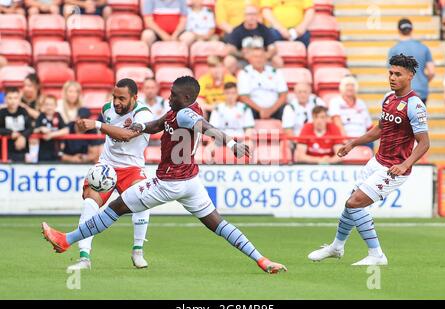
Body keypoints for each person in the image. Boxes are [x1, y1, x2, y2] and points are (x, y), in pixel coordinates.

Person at [42, 76, 287, 274]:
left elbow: (206, 127)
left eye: (174, 95)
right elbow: (159, 124)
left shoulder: (185, 113)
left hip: (168, 182)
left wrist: (232, 142)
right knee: (219, 224)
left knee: (115, 207)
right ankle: (261, 260)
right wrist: (140, 126)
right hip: (191, 182)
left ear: (187, 98)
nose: (169, 98)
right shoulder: (179, 110)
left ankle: (66, 240)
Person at [308, 54, 430, 266]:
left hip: (393, 169)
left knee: (354, 203)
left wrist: (404, 164)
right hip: (377, 162)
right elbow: (380, 130)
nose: (392, 77)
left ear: (410, 76)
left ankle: (376, 255)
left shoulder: (415, 105)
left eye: (398, 74)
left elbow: (424, 143)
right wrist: (353, 143)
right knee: (351, 204)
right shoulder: (388, 98)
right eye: (390, 73)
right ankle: (336, 247)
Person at [62, 79, 154, 271]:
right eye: (114, 97)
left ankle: (138, 251)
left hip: (132, 167)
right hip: (107, 166)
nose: (116, 102)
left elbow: (125, 135)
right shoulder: (107, 109)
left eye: (122, 98)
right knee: (90, 203)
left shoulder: (143, 114)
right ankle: (84, 258)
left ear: (134, 98)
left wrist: (96, 124)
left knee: (144, 199)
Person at [388, 18, 435, 104]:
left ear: (399, 30)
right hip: (421, 91)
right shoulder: (424, 48)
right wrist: (423, 81)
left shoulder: (394, 50)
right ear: (411, 29)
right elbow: (431, 72)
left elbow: (393, 74)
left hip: (403, 92)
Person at [224, 5, 280, 74]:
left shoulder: (264, 29)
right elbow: (231, 49)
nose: (251, 17)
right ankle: (232, 83)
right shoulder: (237, 31)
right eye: (249, 14)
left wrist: (265, 56)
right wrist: (243, 55)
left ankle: (275, 82)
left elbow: (272, 47)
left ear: (258, 16)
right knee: (229, 61)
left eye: (254, 14)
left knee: (277, 60)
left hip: (262, 59)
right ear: (244, 16)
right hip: (244, 60)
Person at [238, 46, 288, 120]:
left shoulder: (276, 72)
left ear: (265, 58)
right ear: (250, 59)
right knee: (244, 110)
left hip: (275, 109)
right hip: (254, 109)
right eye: (255, 57)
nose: (258, 59)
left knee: (288, 110)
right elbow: (244, 98)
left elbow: (283, 95)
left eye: (261, 57)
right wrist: (261, 110)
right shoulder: (244, 73)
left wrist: (270, 110)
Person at [0, 87, 33, 162]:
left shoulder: (23, 111)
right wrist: (11, 133)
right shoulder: (2, 113)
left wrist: (23, 136)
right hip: (5, 151)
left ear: (19, 99)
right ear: (5, 99)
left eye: (15, 98)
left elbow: (30, 128)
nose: (13, 101)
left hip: (22, 150)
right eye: (10, 98)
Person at [34, 95, 69, 162]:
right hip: (43, 153)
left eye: (51, 105)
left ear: (55, 106)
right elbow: (34, 130)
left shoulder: (58, 115)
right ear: (43, 105)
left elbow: (66, 130)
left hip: (56, 152)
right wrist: (41, 128)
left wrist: (52, 135)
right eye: (47, 104)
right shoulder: (41, 116)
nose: (49, 107)